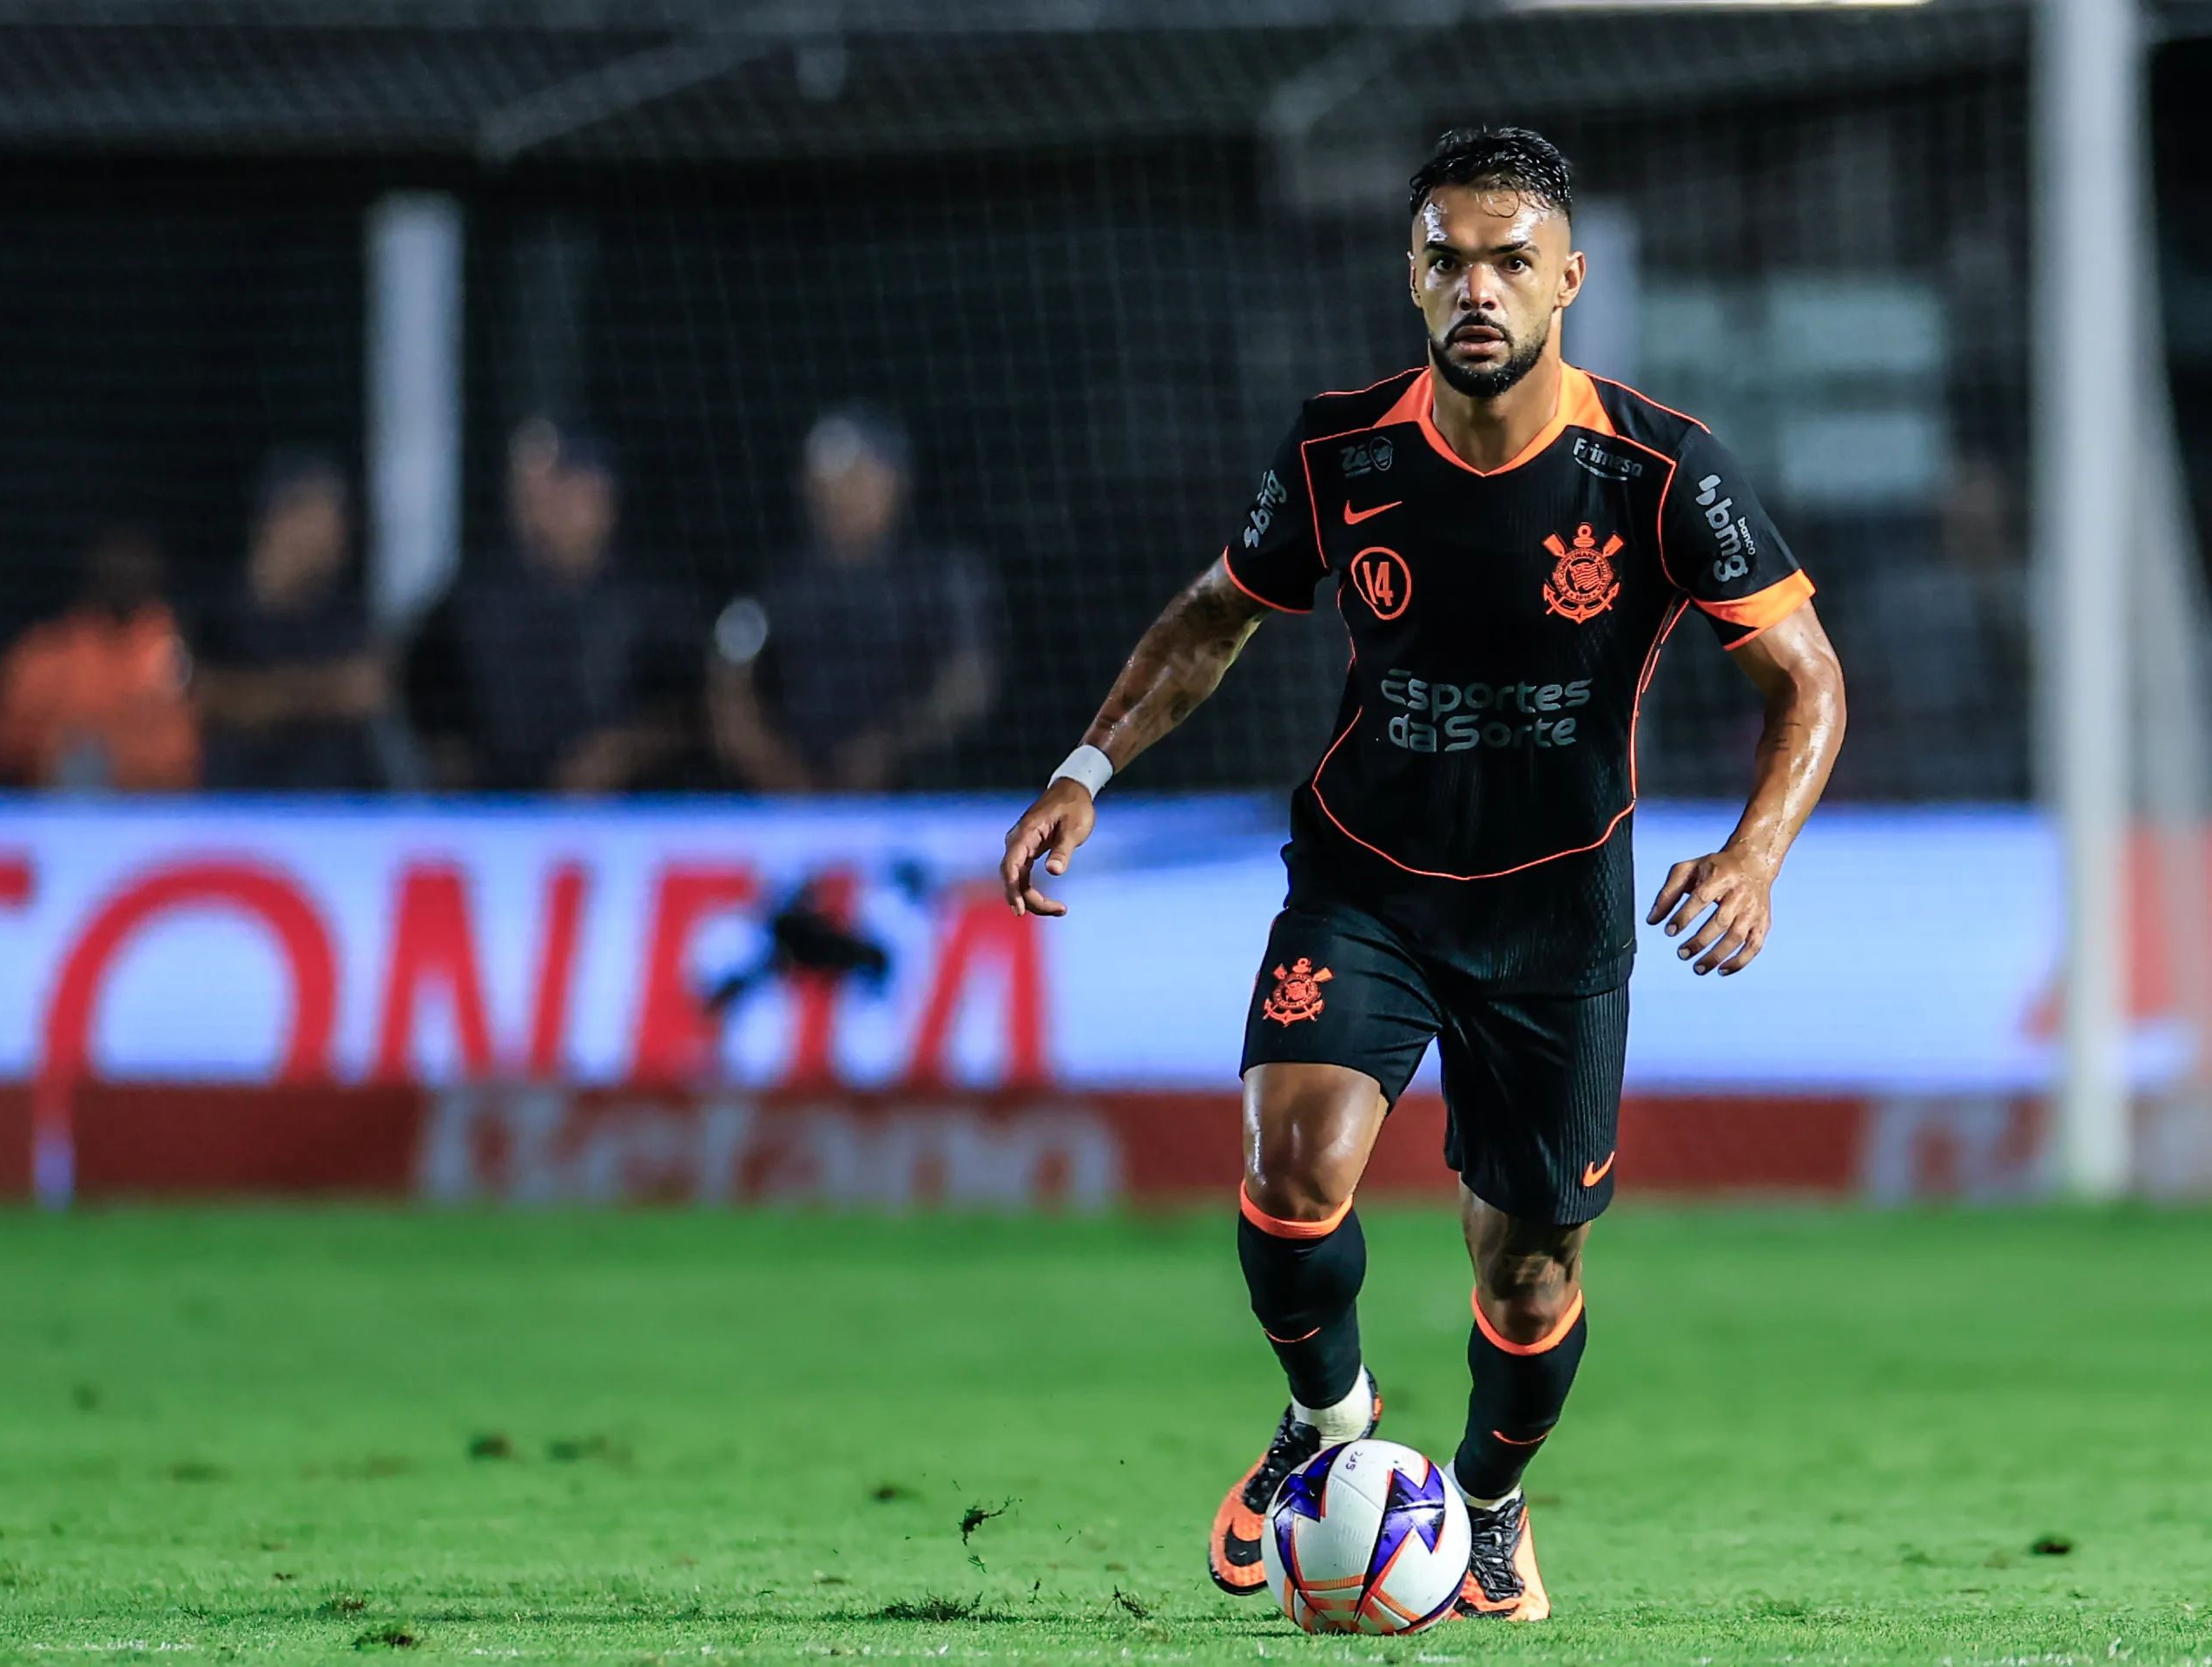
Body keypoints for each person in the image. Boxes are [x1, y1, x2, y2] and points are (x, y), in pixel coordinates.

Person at [997, 128, 1846, 1622]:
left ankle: (1495, 1502)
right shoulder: (1342, 452)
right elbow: (1213, 619)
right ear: (1410, 275)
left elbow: (1808, 679)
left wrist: (1756, 856)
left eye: (1510, 259)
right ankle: (1331, 1428)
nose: (1477, 286)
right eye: (1447, 256)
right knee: (1288, 1165)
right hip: (1368, 882)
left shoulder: (1658, 468)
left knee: (1528, 1280)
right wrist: (1083, 770)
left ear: (1567, 278)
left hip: (1557, 917)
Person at [710, 405, 995, 792]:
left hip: (923, 798)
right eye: (826, 481)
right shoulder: (771, 585)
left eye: (858, 477)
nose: (840, 495)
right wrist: (776, 767)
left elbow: (970, 683)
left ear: (895, 481)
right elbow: (729, 683)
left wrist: (890, 744)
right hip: (794, 799)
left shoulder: (945, 579)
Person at [408, 421, 699, 791]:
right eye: (531, 495)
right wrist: (453, 763)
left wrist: (626, 750)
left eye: (564, 493)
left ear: (602, 497)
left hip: (624, 825)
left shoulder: (651, 605)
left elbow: (696, 714)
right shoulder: (473, 599)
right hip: (499, 820)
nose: (543, 510)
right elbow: (419, 693)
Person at [193, 450, 389, 791]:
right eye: (326, 521)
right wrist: (323, 692)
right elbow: (204, 700)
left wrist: (260, 696)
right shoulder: (214, 610)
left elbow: (368, 689)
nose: (339, 538)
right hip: (237, 811)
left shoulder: (349, 614)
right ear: (283, 519)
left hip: (338, 813)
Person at [0, 526, 198, 792]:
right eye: (117, 559)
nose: (127, 570)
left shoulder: (181, 650)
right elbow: (4, 753)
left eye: (136, 559)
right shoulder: (44, 656)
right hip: (59, 817)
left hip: (168, 817)